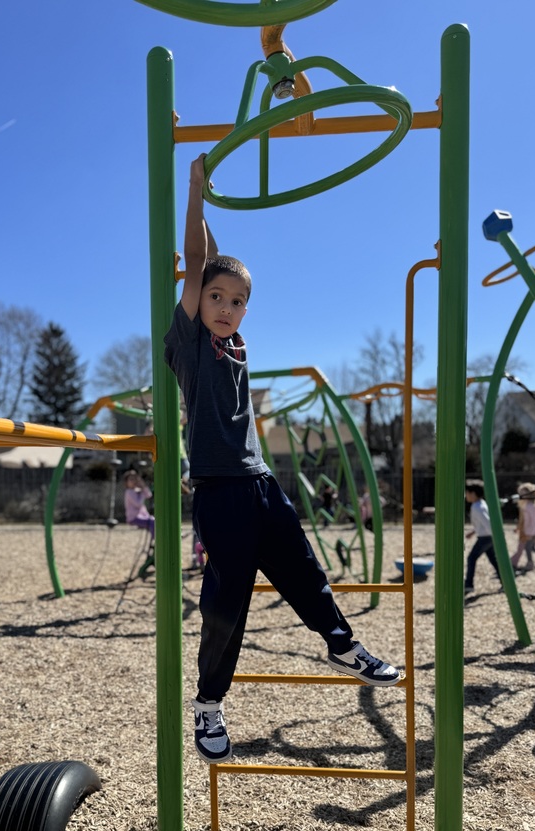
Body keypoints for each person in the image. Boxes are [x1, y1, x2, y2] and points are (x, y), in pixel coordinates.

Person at [164, 153, 400, 764]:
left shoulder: (233, 340)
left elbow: (212, 261)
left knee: (303, 571)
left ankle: (342, 644)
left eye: (237, 300)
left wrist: (212, 213)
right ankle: (210, 705)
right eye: (215, 296)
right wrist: (193, 189)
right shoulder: (188, 342)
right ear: (195, 299)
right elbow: (198, 260)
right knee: (227, 602)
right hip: (219, 487)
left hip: (262, 482)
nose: (224, 306)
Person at [464, 479, 500, 594]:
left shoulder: (477, 507)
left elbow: (487, 523)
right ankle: (506, 582)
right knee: (493, 560)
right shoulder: (480, 504)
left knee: (471, 558)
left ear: (473, 494)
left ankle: (469, 585)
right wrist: (474, 531)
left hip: (485, 537)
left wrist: (494, 536)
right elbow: (482, 523)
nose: (466, 495)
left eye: (467, 493)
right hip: (487, 537)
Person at [122, 469, 155, 539]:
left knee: (154, 520)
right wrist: (142, 494)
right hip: (134, 518)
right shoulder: (129, 492)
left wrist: (143, 486)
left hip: (143, 516)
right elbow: (138, 504)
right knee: (152, 522)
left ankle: (156, 537)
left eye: (134, 479)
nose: (133, 481)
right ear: (126, 482)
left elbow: (149, 495)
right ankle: (154, 540)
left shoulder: (137, 489)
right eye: (130, 479)